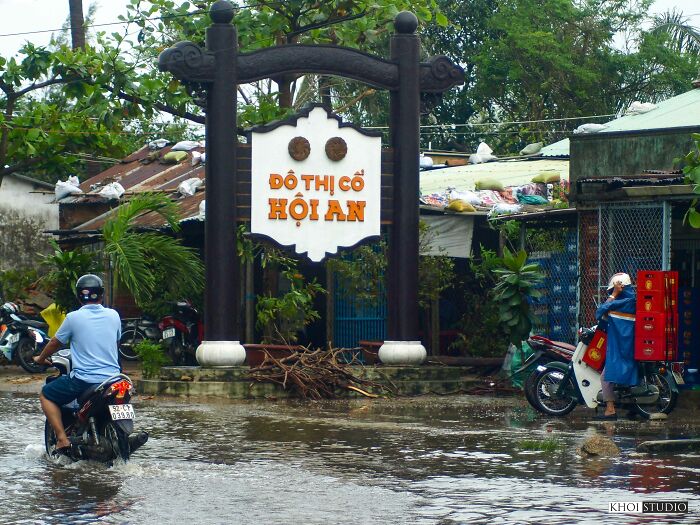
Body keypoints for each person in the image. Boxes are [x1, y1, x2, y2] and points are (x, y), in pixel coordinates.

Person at [33, 274, 121, 452]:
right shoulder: (114, 315)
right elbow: (115, 342)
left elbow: (54, 343)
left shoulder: (73, 318)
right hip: (115, 379)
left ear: (79, 296)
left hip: (85, 380)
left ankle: (62, 439)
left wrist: (41, 359)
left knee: (46, 395)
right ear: (102, 295)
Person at [594, 272, 638, 420]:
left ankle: (610, 409)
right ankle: (632, 406)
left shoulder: (621, 302)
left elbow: (600, 311)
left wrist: (614, 293)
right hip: (628, 347)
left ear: (621, 287)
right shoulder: (632, 300)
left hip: (620, 349)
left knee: (605, 377)